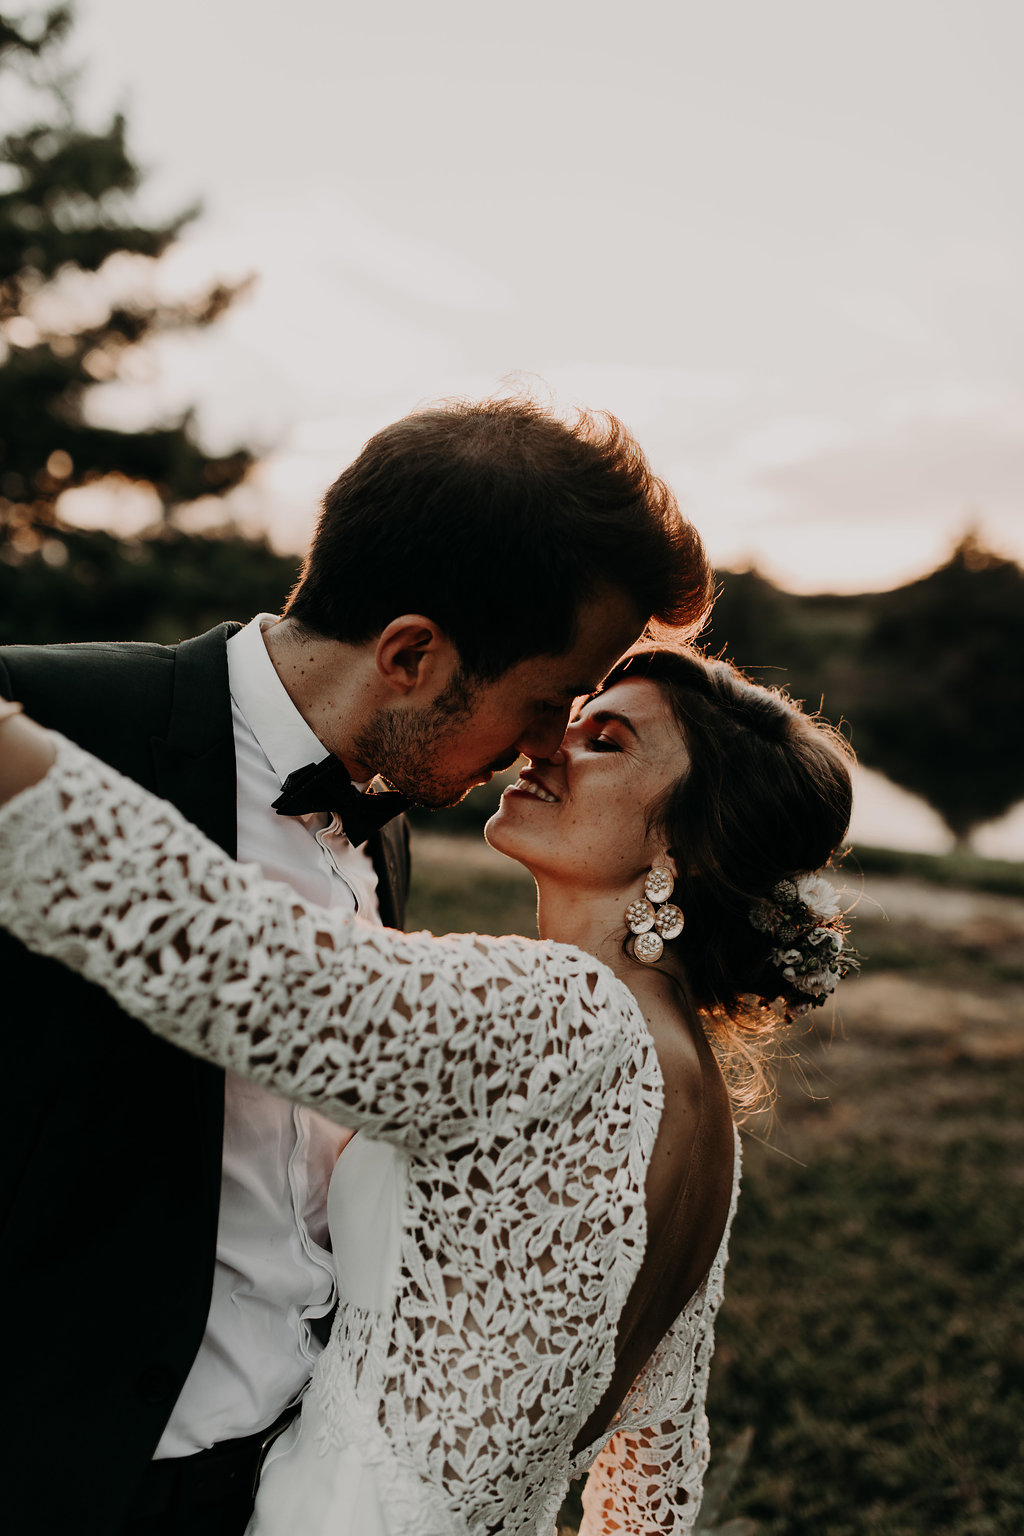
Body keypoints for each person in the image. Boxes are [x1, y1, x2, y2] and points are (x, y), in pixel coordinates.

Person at [0, 397, 711, 1536]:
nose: (545, 747)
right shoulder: (51, 721)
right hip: (51, 1469)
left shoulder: (384, 825)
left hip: (275, 1486)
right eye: (543, 704)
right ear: (412, 654)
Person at [0, 643, 855, 1535]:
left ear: (690, 842)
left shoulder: (568, 1013)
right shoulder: (703, 1106)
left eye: (606, 740)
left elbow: (237, 963)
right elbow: (656, 1466)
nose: (548, 745)